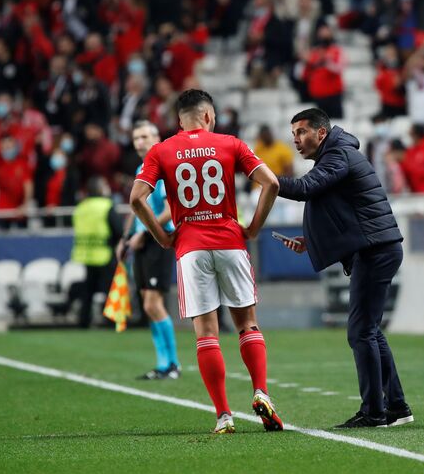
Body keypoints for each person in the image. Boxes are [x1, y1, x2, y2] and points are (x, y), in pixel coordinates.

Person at [130, 89, 283, 435]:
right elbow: (271, 183)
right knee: (247, 324)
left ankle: (224, 415)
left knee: (206, 334)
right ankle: (261, 390)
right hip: (230, 240)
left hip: (191, 246)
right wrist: (253, 228)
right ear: (209, 116)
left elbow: (137, 199)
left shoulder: (161, 150)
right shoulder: (230, 144)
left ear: (178, 120)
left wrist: (162, 236)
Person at [276, 108, 413, 429]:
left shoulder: (338, 155)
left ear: (321, 133)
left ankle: (374, 413)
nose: (296, 139)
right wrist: (310, 240)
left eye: (301, 132)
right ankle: (395, 406)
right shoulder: (338, 154)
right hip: (377, 248)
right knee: (370, 331)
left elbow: (305, 188)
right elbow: (344, 209)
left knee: (360, 332)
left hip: (375, 251)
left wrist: (259, 174)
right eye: (293, 134)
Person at [116, 121, 180, 380]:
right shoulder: (142, 168)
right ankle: (162, 363)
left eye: (144, 136)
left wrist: (143, 233)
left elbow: (171, 209)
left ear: (156, 138)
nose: (139, 142)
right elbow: (136, 207)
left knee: (153, 303)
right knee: (148, 304)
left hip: (159, 239)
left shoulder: (163, 166)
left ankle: (172, 364)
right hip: (141, 241)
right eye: (136, 137)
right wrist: (125, 238)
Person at [70, 176, 124, 329]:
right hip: (105, 253)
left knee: (88, 290)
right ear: (100, 189)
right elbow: (118, 230)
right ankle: (111, 321)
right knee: (110, 289)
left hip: (86, 254)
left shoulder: (81, 207)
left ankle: (83, 321)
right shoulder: (106, 206)